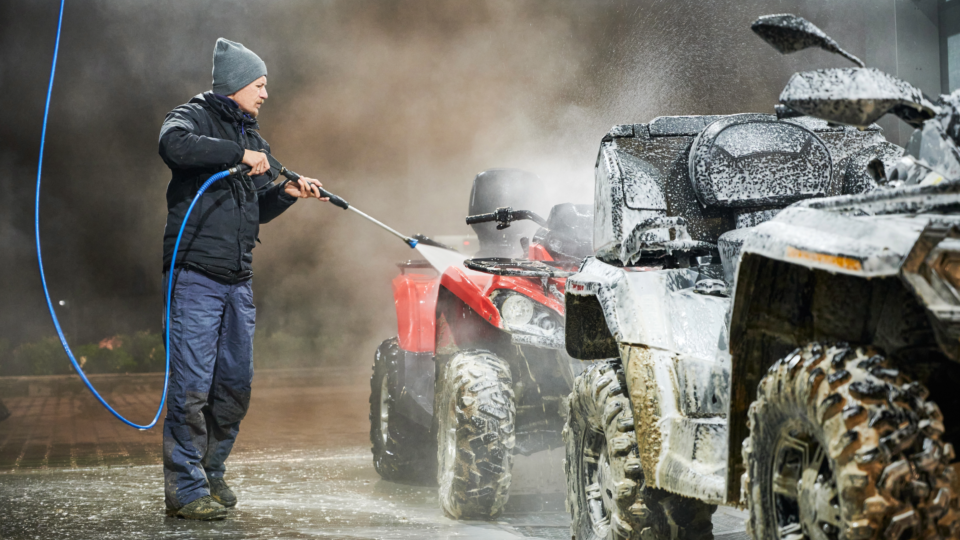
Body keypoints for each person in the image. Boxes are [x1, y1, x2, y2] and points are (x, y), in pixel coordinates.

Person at [158, 38, 325, 520]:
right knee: (191, 386)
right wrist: (237, 152)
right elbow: (173, 145)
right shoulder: (190, 117)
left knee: (234, 385)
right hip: (194, 276)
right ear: (234, 86)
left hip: (237, 279)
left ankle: (211, 470)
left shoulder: (257, 140)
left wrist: (287, 192)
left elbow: (256, 209)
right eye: (259, 84)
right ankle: (185, 491)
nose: (266, 94)